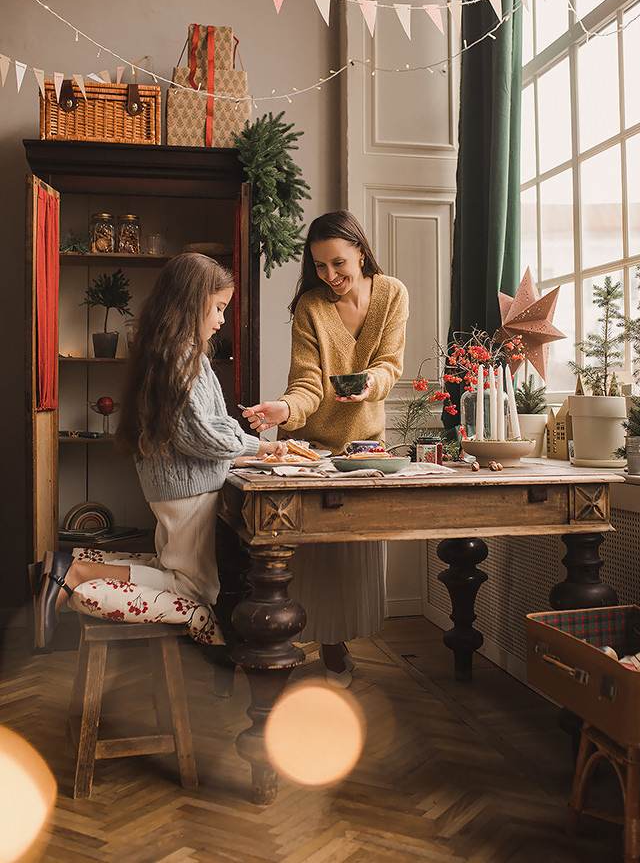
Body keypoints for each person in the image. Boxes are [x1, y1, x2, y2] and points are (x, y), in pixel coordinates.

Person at [33, 252, 287, 649]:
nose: (222, 320)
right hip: (189, 492)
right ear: (192, 302)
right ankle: (77, 572)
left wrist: (253, 451)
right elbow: (203, 434)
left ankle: (76, 570)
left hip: (174, 487)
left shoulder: (167, 351)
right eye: (218, 308)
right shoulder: (182, 357)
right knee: (194, 589)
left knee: (176, 572)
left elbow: (192, 433)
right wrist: (260, 446)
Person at [243, 210, 409, 686]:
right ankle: (287, 647)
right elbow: (307, 383)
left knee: (346, 556)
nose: (331, 277)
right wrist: (282, 410)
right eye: (319, 267)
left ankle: (335, 648)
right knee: (300, 560)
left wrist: (368, 384)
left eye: (338, 263)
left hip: (364, 449)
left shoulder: (393, 293)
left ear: (361, 250)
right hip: (309, 448)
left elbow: (390, 365)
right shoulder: (311, 308)